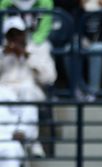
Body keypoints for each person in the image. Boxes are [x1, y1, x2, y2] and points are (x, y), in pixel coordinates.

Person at [0, 15, 53, 157]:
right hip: (5, 90)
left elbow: (49, 77)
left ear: (24, 33)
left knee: (27, 91)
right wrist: (3, 56)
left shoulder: (39, 48)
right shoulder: (1, 52)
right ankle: (8, 139)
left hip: (31, 89)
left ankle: (28, 139)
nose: (15, 38)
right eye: (11, 34)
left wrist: (26, 56)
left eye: (18, 33)